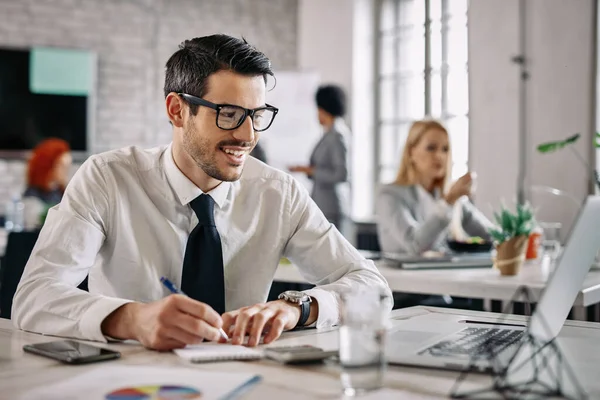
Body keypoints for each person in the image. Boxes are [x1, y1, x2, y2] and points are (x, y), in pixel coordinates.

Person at [13, 34, 391, 351]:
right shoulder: (108, 179)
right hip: (129, 382)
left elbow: (373, 287)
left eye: (257, 115)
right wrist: (132, 318)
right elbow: (34, 297)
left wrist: (299, 307)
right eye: (228, 113)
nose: (248, 136)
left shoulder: (279, 193)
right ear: (177, 111)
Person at [376, 119, 492, 255]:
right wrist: (448, 202)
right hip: (402, 275)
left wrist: (516, 235)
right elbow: (414, 245)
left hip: (443, 275)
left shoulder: (447, 195)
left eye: (445, 149)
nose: (439, 156)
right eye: (431, 148)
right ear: (411, 152)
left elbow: (493, 235)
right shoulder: (389, 195)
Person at [288, 85, 350, 232]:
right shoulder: (327, 134)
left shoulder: (337, 136)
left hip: (331, 207)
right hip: (322, 204)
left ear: (324, 109)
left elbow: (341, 174)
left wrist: (311, 171)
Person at [21, 138, 72, 229]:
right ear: (49, 166)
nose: (66, 172)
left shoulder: (63, 193)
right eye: (63, 166)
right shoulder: (32, 197)